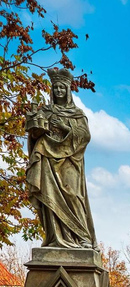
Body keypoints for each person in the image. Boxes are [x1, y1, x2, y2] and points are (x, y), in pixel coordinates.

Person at [25, 67, 97, 249]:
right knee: (50, 197)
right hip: (48, 158)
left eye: (62, 88)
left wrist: (66, 128)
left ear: (68, 91)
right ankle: (55, 237)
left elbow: (85, 136)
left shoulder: (77, 114)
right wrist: (36, 130)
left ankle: (82, 237)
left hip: (70, 160)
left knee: (73, 195)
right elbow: (34, 136)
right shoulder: (46, 111)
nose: (58, 91)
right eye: (55, 87)